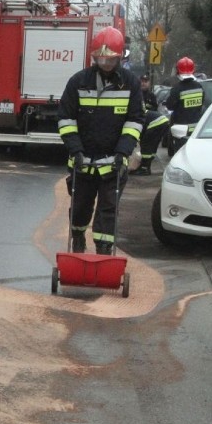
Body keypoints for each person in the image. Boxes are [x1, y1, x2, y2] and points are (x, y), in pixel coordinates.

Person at [57, 26, 145, 255]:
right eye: (101, 59)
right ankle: (77, 238)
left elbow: (135, 121)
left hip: (114, 161)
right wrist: (75, 150)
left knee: (108, 210)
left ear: (119, 57)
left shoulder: (130, 84)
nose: (105, 64)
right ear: (94, 57)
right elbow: (66, 119)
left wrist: (122, 152)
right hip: (82, 160)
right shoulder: (78, 82)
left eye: (110, 59)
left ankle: (104, 251)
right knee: (79, 208)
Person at [164, 56, 204, 155]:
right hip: (196, 128)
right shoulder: (199, 87)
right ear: (193, 70)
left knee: (180, 154)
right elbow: (202, 103)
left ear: (178, 71)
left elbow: (169, 106)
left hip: (180, 129)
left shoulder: (177, 88)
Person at [131, 74, 169, 175]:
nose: (143, 83)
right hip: (161, 121)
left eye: (146, 81)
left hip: (154, 123)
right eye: (141, 81)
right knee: (151, 146)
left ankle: (144, 169)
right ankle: (145, 166)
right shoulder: (136, 95)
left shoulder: (150, 97)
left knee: (146, 145)